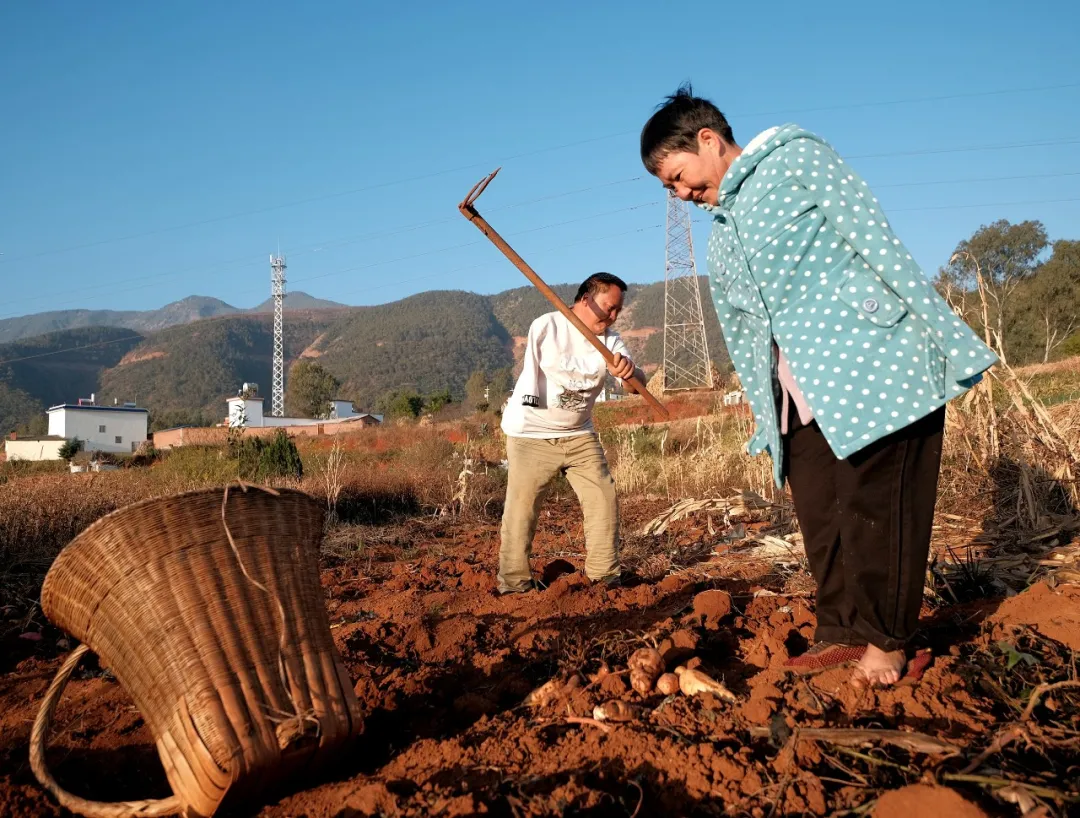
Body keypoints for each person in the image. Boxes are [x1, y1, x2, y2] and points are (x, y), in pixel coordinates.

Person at [639, 84, 997, 688]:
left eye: (677, 177)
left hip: (872, 362)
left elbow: (873, 237)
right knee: (823, 514)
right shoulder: (722, 229)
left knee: (875, 505)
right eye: (669, 189)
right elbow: (743, 325)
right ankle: (842, 630)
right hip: (797, 392)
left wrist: (942, 336)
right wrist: (762, 409)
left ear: (708, 140)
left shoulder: (794, 160)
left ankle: (890, 642)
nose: (679, 195)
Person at [497, 272, 645, 594]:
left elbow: (632, 385)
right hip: (531, 434)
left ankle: (604, 579)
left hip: (580, 434)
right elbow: (531, 378)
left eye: (618, 311)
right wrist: (535, 418)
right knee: (521, 509)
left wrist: (630, 374)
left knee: (603, 499)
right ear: (584, 299)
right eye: (609, 307)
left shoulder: (611, 342)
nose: (612, 316)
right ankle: (514, 586)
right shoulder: (547, 326)